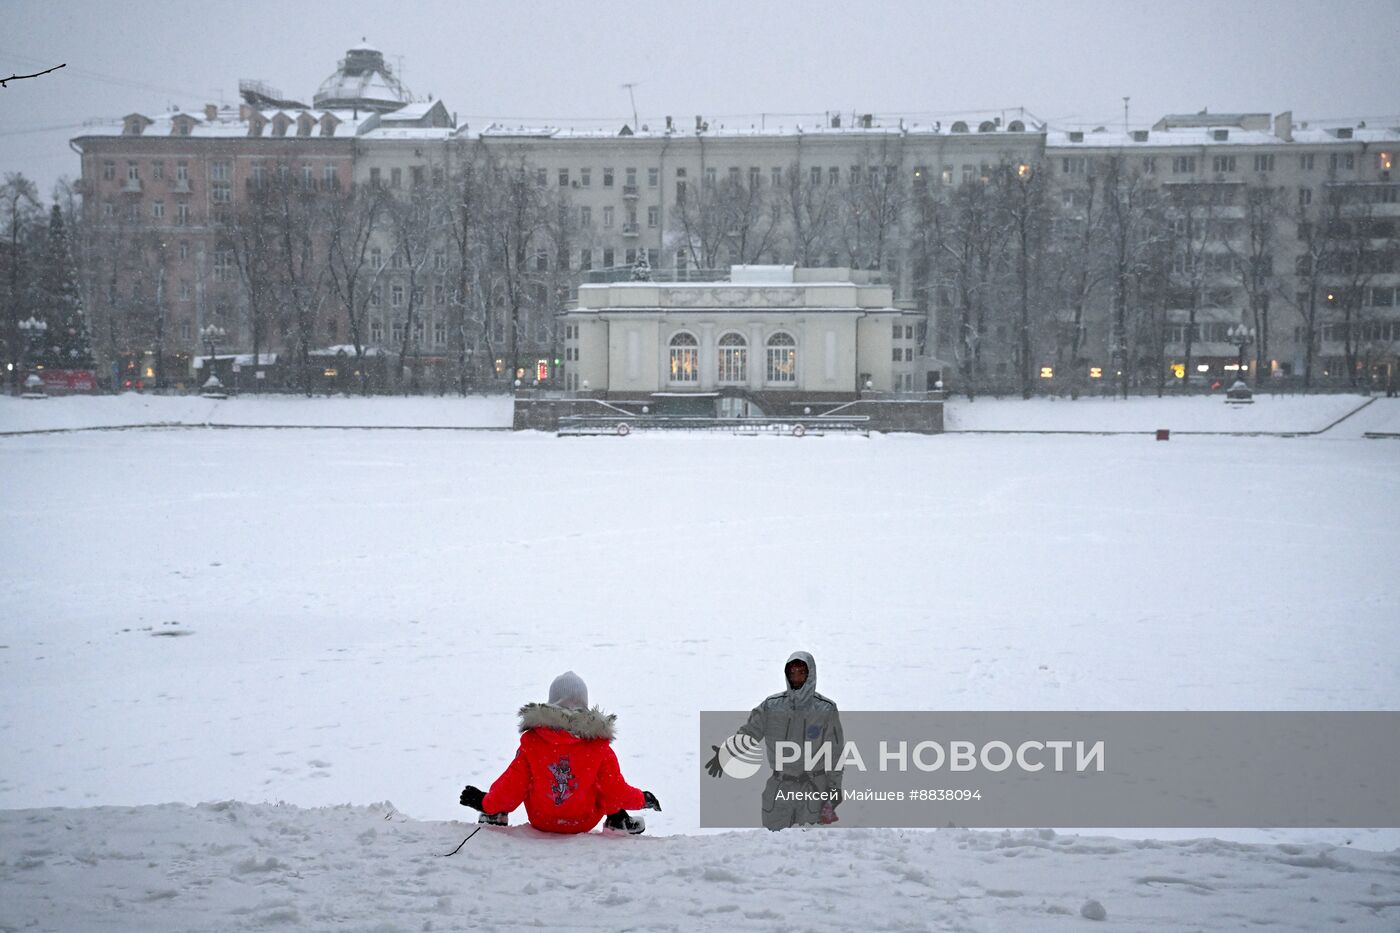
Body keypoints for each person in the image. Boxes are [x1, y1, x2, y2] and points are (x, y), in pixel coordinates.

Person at [459, 671, 661, 834]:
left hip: (542, 819)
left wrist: (485, 802)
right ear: (585, 703)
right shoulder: (598, 746)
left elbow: (513, 786)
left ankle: (496, 814)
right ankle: (618, 821)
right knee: (604, 781)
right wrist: (643, 798)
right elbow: (616, 792)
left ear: (551, 702)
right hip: (583, 821)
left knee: (518, 779)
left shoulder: (533, 742)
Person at [705, 651, 844, 831]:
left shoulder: (826, 709)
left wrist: (834, 788)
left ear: (810, 674)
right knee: (773, 848)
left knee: (808, 848)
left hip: (813, 789)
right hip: (779, 789)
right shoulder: (772, 706)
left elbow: (835, 752)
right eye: (792, 672)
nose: (796, 676)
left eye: (801, 672)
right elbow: (749, 733)